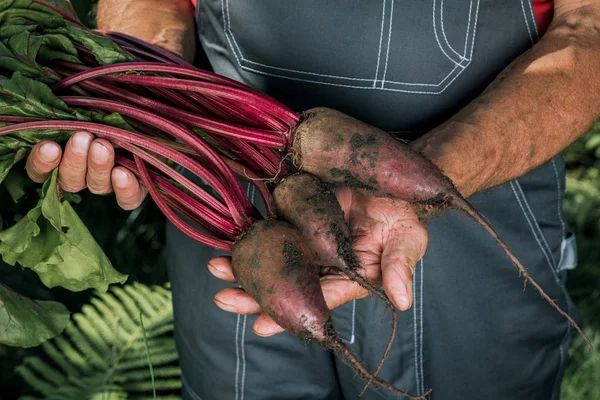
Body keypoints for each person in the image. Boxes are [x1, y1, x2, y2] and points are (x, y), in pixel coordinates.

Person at [25, 0, 600, 399]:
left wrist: (427, 179)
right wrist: (138, 102)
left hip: (476, 202)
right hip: (229, 200)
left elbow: (588, 29)